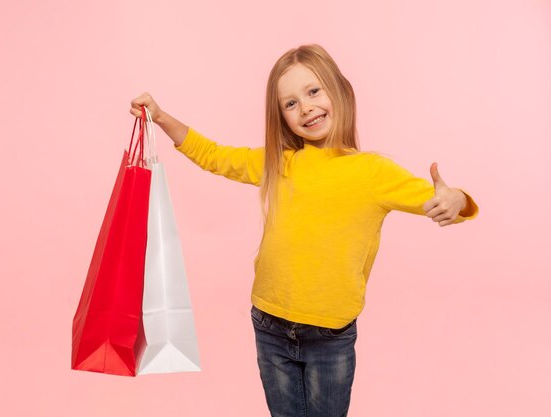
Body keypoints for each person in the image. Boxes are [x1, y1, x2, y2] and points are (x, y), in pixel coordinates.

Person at [129, 44, 479, 417]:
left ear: (339, 91)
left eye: (313, 92)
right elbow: (214, 155)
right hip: (269, 323)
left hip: (330, 335)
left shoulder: (374, 172)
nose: (306, 107)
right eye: (290, 103)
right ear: (281, 117)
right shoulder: (280, 161)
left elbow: (438, 200)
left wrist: (456, 199)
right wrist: (162, 117)